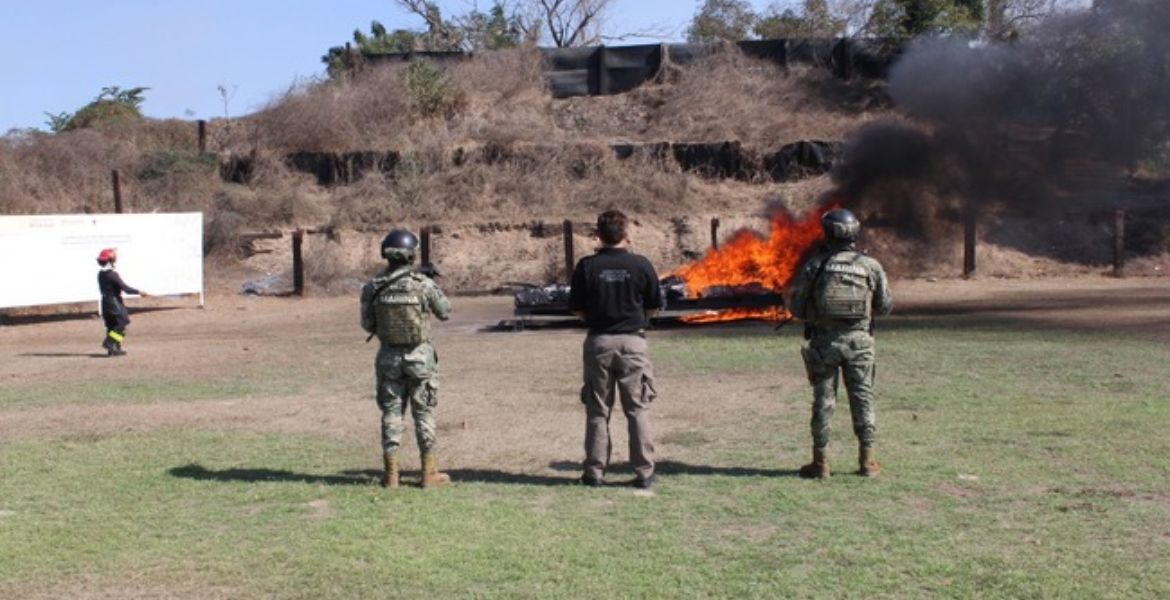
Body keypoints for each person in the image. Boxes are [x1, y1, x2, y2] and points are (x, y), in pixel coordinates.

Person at [787, 208, 893, 479]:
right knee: (863, 399)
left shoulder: (816, 265)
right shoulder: (871, 266)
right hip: (861, 343)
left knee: (823, 401)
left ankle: (820, 463)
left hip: (825, 344)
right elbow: (885, 306)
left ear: (828, 233)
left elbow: (797, 308)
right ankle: (867, 462)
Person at [569, 210, 663, 489]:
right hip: (634, 341)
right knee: (637, 409)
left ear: (598, 235)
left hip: (598, 342)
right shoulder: (641, 264)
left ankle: (594, 472)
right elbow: (655, 305)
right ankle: (644, 472)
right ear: (626, 233)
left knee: (598, 411)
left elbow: (577, 308)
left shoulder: (586, 266)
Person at [360, 229, 453, 488]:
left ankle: (391, 474)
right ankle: (429, 473)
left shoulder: (374, 287)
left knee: (391, 413)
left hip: (388, 357)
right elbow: (445, 312)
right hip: (420, 358)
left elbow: (367, 325)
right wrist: (432, 284)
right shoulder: (422, 284)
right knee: (424, 412)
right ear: (411, 255)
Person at [96, 248, 147, 357]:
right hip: (114, 302)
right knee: (123, 323)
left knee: (112, 325)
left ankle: (114, 349)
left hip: (105, 303)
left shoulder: (101, 274)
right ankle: (109, 343)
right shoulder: (112, 274)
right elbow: (125, 289)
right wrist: (139, 292)